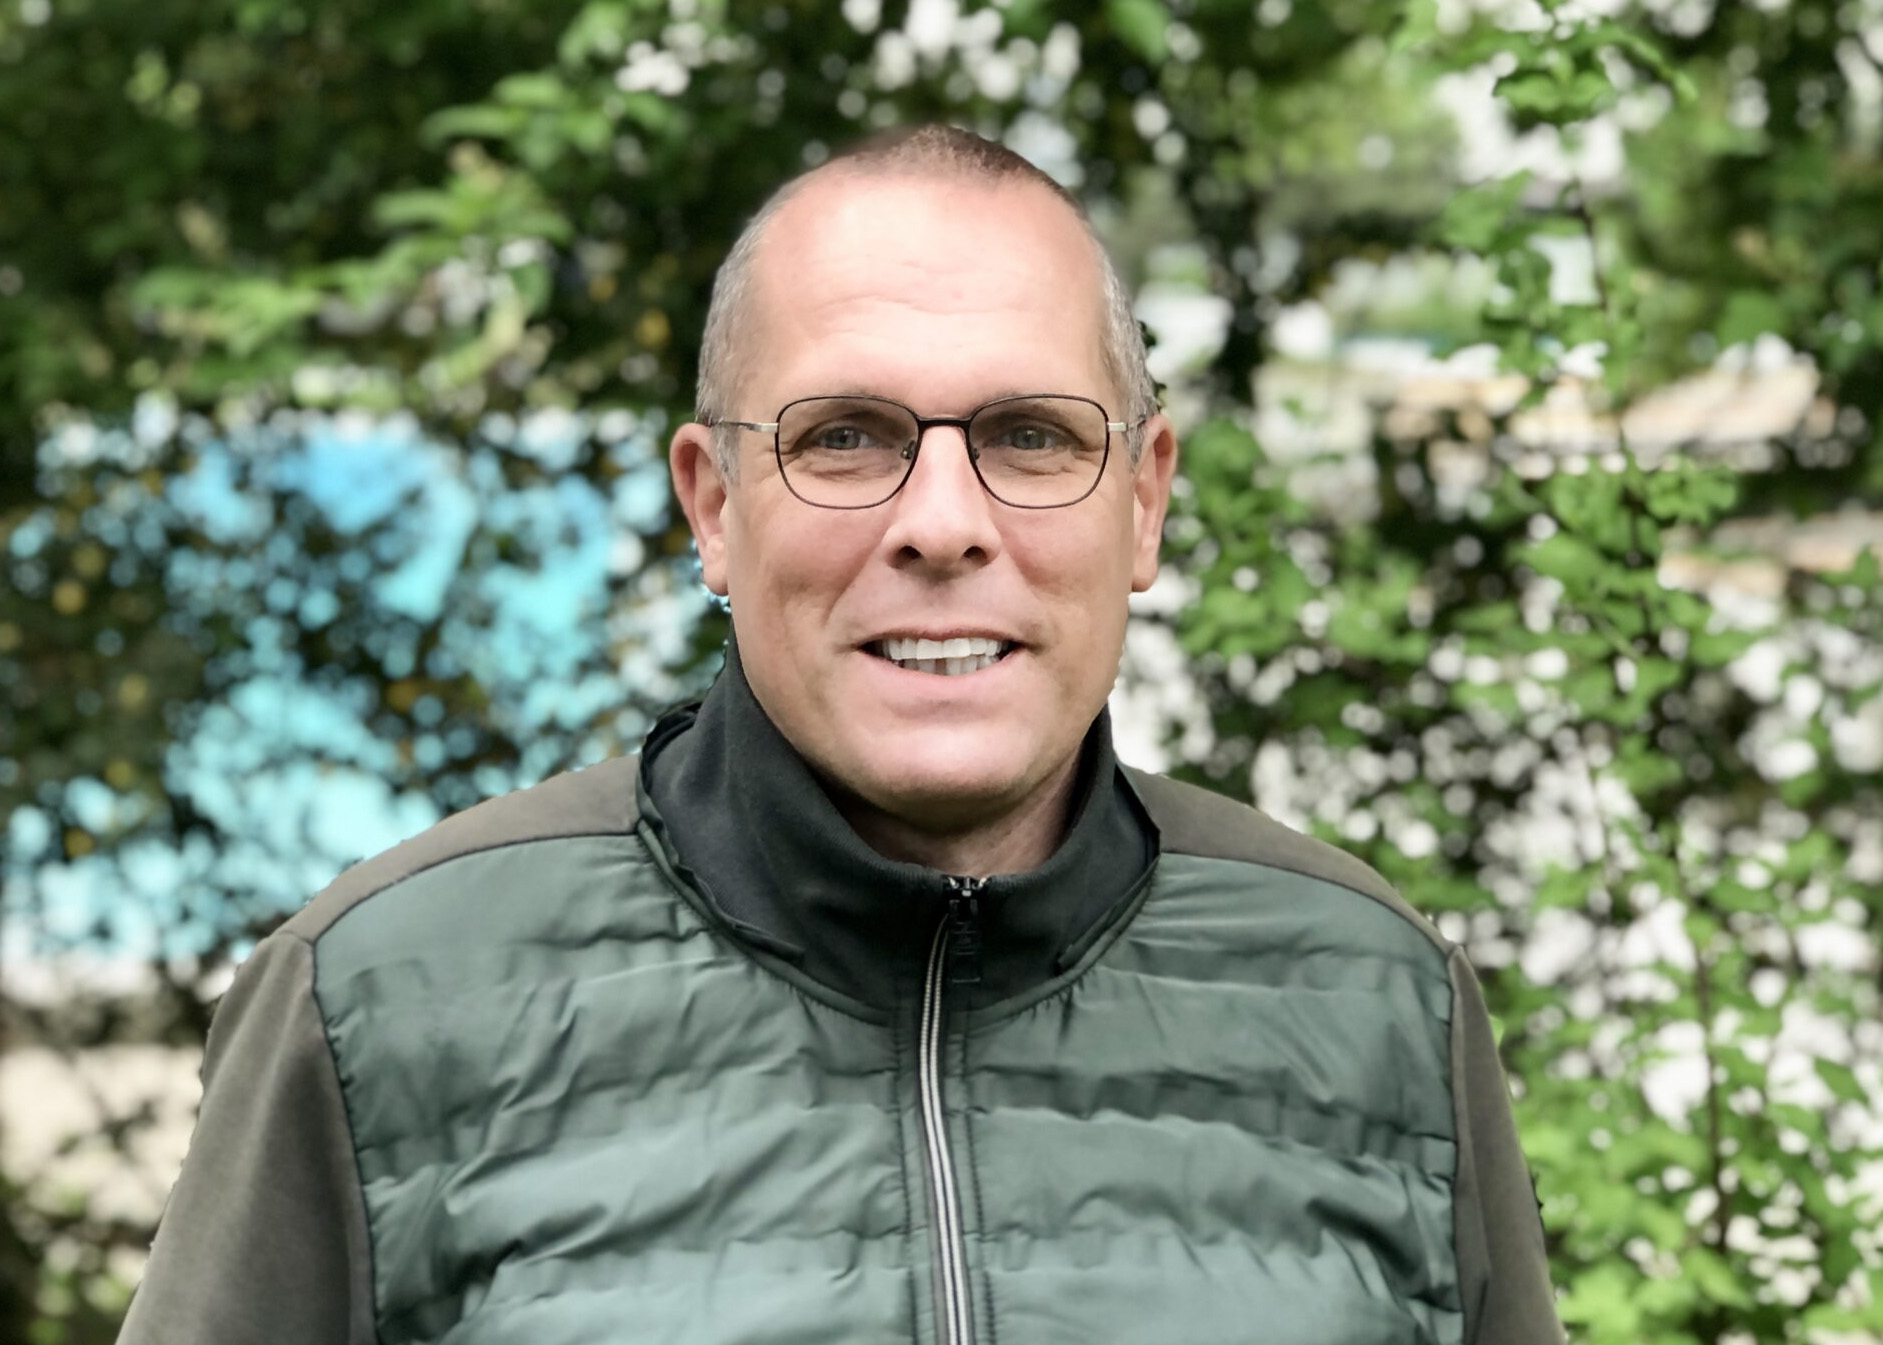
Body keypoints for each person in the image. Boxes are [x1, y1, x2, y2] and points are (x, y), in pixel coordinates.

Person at [120, 125, 1561, 1345]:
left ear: (1143, 501)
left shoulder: (1379, 1003)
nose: (943, 523)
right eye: (847, 436)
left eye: (1032, 435)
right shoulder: (376, 1004)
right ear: (713, 506)